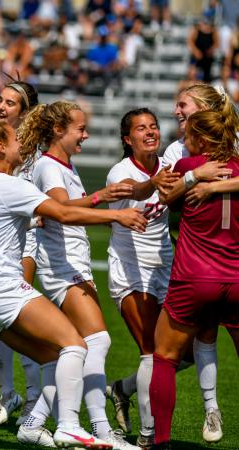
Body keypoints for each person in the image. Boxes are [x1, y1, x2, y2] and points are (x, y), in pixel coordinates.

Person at [0, 109, 145, 449]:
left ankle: (33, 425)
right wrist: (116, 211)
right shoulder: (11, 184)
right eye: (15, 140)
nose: (21, 144)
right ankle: (70, 426)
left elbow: (13, 221)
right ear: (1, 148)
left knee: (51, 355)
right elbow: (62, 212)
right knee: (76, 344)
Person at [19, 100, 140, 449]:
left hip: (73, 264)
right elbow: (60, 211)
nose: (85, 135)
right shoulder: (49, 167)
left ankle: (35, 421)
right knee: (97, 342)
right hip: (61, 266)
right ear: (59, 131)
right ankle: (102, 431)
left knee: (80, 348)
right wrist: (107, 204)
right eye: (80, 129)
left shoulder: (64, 165)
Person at [151, 109, 239, 449]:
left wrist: (196, 179)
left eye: (188, 129)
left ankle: (161, 441)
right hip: (236, 279)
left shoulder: (189, 167)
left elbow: (163, 198)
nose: (182, 132)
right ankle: (211, 410)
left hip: (195, 277)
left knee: (164, 356)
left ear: (202, 137)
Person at [103, 108, 176, 446]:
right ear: (127, 139)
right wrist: (154, 183)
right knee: (152, 351)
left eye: (153, 126)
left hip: (166, 267)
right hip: (131, 270)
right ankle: (148, 436)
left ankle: (122, 388)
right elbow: (135, 190)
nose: (149, 132)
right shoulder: (120, 171)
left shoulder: (168, 164)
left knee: (181, 353)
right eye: (140, 128)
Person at [0, 80, 44, 431]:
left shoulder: (35, 149)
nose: (1, 106)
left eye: (10, 102)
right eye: (0, 99)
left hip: (27, 238)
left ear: (24, 111)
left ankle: (34, 398)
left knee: (16, 316)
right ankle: (8, 393)